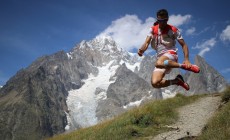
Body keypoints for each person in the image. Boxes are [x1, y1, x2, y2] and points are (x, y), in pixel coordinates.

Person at [137, 9, 200, 91]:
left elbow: (184, 45)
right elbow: (146, 43)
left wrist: (186, 59)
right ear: (157, 19)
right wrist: (142, 50)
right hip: (161, 58)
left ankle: (184, 66)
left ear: (167, 19)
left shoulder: (173, 30)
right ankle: (177, 81)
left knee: (159, 63)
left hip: (171, 54)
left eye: (164, 20)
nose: (162, 23)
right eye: (159, 20)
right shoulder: (153, 29)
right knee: (155, 83)